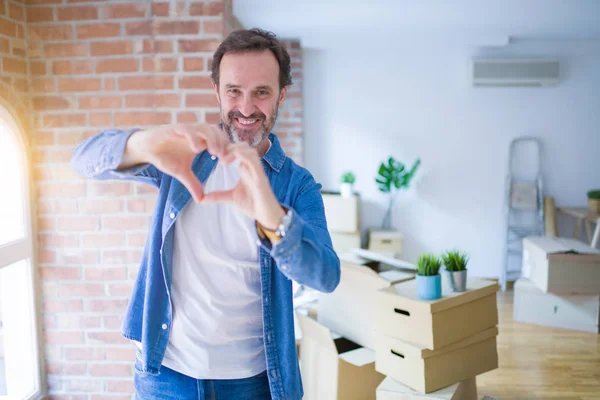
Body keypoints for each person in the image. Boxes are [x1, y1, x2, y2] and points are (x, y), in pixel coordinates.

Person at [71, 28, 340, 400]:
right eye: (234, 90)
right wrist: (143, 142)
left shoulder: (298, 185)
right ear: (217, 91)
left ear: (281, 94)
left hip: (254, 382)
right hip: (166, 374)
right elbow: (84, 159)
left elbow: (326, 276)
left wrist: (270, 213)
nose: (246, 108)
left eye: (261, 92)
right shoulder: (184, 153)